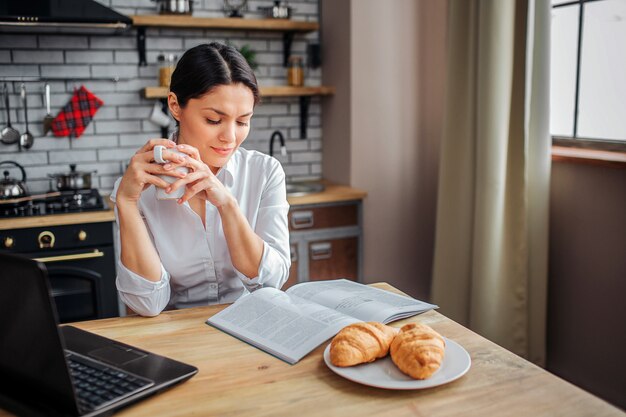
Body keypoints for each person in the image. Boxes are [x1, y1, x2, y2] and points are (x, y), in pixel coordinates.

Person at [111, 42, 290, 317]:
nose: (230, 137)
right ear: (175, 106)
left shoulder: (264, 172)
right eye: (213, 120)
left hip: (249, 326)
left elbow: (271, 281)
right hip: (176, 337)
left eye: (242, 122)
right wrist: (126, 202)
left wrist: (227, 205)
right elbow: (146, 304)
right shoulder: (139, 186)